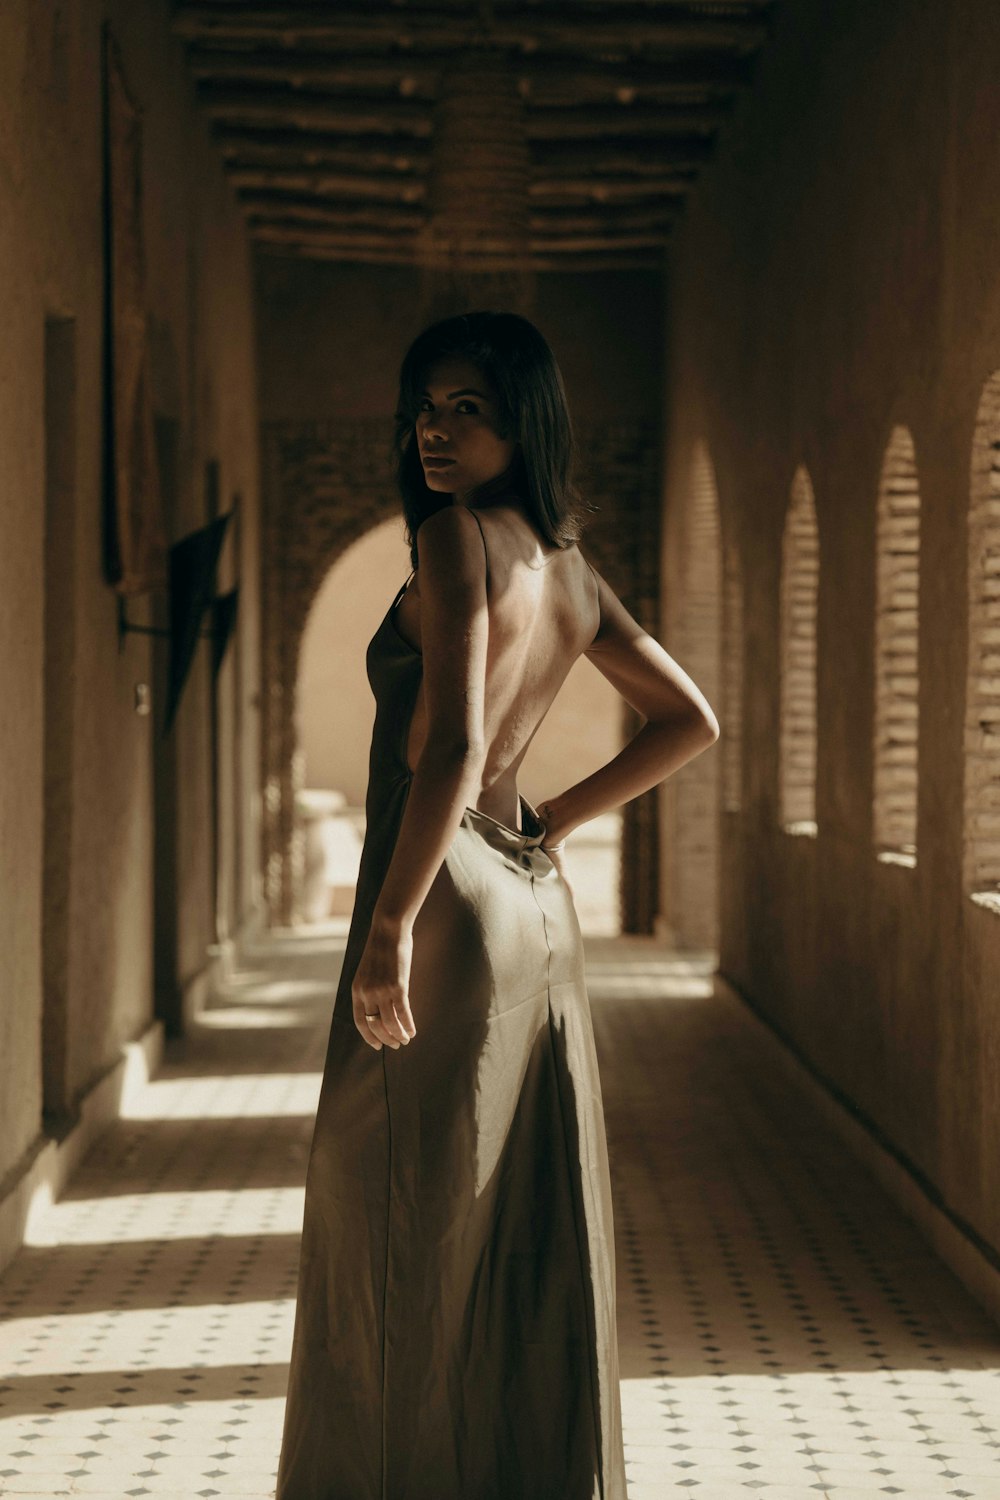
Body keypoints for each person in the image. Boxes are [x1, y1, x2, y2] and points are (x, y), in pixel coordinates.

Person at [275, 310, 720, 1500]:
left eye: (467, 406)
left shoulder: (457, 541)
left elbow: (456, 743)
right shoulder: (572, 570)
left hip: (442, 902)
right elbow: (689, 722)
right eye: (426, 404)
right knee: (519, 1226)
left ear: (524, 419)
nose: (435, 427)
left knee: (391, 1237)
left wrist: (384, 930)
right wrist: (559, 821)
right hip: (530, 904)